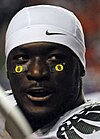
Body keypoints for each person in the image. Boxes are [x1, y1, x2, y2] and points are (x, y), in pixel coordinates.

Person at [0, 5, 100, 139]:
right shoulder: (5, 104)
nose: (37, 72)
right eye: (22, 59)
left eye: (54, 58)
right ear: (7, 70)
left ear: (81, 67)